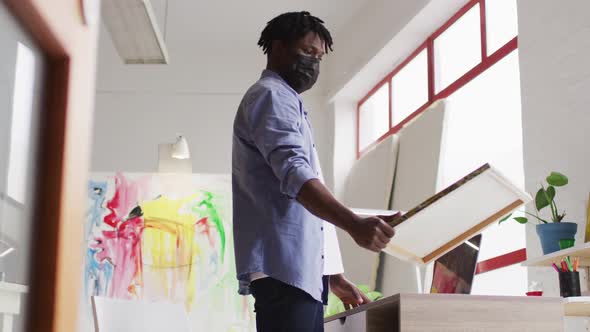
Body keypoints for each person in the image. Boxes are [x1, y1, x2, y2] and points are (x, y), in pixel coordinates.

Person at [232, 11, 396, 332]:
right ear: (277, 48)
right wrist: (354, 224)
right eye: (308, 52)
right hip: (285, 272)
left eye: (319, 57)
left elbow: (303, 202)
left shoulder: (287, 101)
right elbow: (295, 174)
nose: (314, 64)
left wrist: (331, 274)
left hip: (297, 272)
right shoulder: (272, 96)